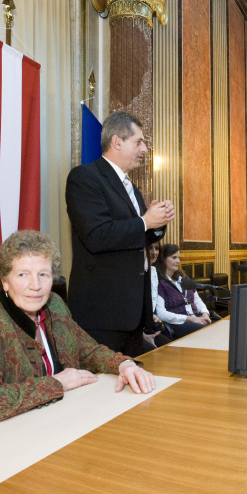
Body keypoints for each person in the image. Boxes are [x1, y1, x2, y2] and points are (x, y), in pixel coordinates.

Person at [0, 230, 155, 436]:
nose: (35, 286)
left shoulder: (55, 305)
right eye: (22, 274)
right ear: (5, 281)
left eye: (43, 274)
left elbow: (89, 351)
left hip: (41, 428)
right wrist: (58, 383)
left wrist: (124, 365)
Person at [66, 110, 175, 357]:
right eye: (139, 142)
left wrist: (157, 223)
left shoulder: (131, 188)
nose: (145, 149)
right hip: (103, 314)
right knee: (103, 391)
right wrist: (145, 222)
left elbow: (137, 239)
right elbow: (96, 236)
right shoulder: (85, 178)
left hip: (132, 314)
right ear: (117, 142)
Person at [155, 244, 212, 339]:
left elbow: (197, 300)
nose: (178, 261)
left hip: (197, 318)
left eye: (178, 257)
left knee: (220, 327)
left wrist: (205, 314)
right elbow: (161, 313)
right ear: (163, 259)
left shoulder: (184, 278)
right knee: (207, 332)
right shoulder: (160, 283)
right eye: (174, 258)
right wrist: (190, 319)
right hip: (179, 324)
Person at [141, 241, 171, 351]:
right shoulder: (133, 273)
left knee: (169, 348)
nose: (154, 252)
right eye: (150, 248)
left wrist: (152, 315)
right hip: (134, 331)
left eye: (157, 248)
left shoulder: (153, 271)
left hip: (148, 328)